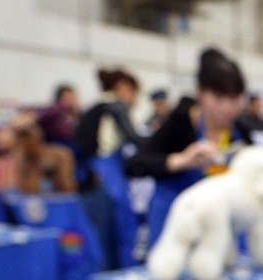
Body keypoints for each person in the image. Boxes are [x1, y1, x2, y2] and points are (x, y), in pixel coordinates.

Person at [125, 47, 253, 247]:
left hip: (220, 227)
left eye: (235, 98)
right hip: (175, 224)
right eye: (219, 98)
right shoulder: (180, 123)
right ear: (200, 93)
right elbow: (134, 165)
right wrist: (180, 160)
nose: (228, 107)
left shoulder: (243, 132)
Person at [74, 67, 148, 268]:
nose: (135, 102)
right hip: (107, 179)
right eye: (135, 95)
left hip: (89, 181)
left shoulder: (94, 108)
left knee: (99, 243)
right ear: (123, 88)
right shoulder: (116, 106)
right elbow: (135, 139)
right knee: (120, 239)